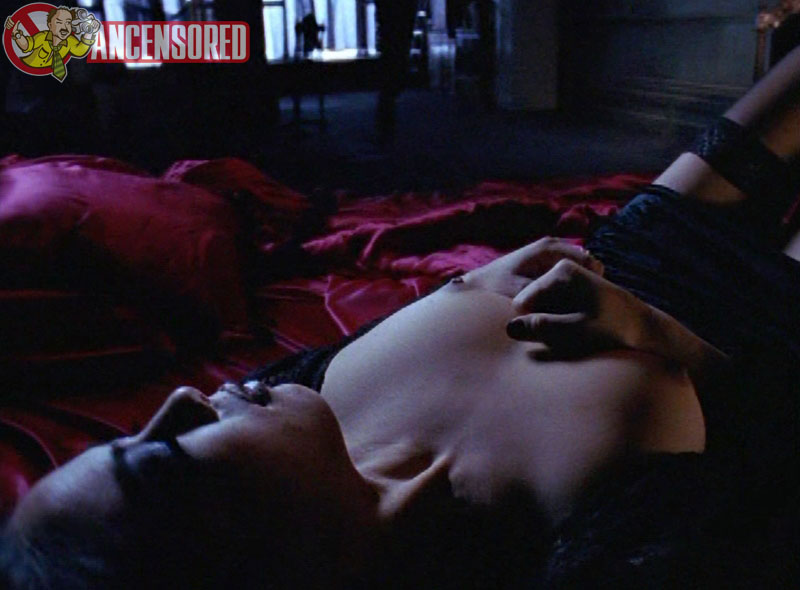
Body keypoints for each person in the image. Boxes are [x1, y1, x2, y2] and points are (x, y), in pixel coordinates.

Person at [3, 47, 800, 589]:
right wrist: (657, 336)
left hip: (646, 234)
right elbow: (774, 445)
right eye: (158, 462)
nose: (181, 402)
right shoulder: (581, 545)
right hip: (766, 317)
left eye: (126, 436)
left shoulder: (297, 412)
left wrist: (473, 280)